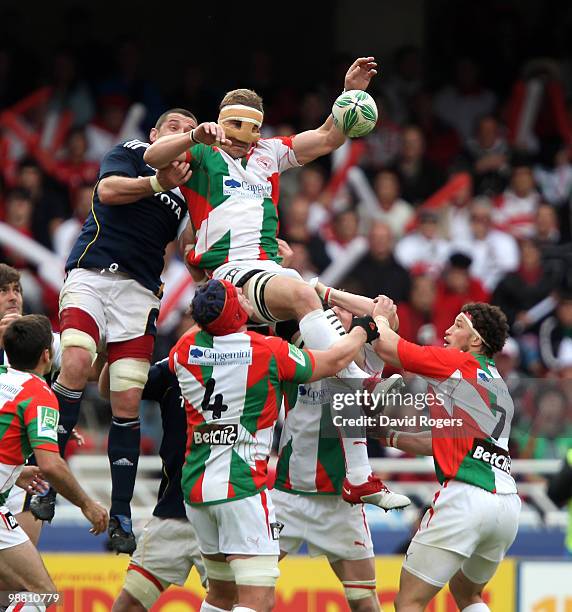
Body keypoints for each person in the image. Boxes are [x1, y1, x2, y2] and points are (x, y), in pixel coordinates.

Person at [143, 57, 405, 508]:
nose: (246, 139)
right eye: (237, 127)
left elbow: (327, 137)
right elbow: (152, 156)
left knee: (332, 349)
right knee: (308, 298)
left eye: (252, 129)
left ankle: (360, 475)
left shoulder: (269, 153)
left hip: (269, 270)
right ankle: (362, 381)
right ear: (225, 124)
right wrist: (193, 134)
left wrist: (348, 94)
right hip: (231, 274)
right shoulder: (204, 153)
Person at [32, 107, 209, 554]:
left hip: (140, 292)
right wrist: (156, 183)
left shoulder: (189, 191)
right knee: (74, 358)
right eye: (175, 128)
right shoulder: (132, 153)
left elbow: (191, 249)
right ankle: (45, 481)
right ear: (154, 134)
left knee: (127, 396)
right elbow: (108, 191)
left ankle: (122, 515)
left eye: (191, 132)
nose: (184, 136)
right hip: (93, 272)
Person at [170, 278, 377, 612]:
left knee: (221, 595)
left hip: (196, 487)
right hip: (241, 489)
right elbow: (337, 361)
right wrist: (363, 330)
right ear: (235, 312)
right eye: (237, 294)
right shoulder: (265, 350)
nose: (244, 292)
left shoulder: (183, 350)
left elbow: (202, 327)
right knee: (258, 599)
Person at [369, 298, 520, 612]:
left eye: (459, 325)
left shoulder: (461, 364)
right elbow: (440, 442)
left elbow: (388, 347)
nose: (448, 331)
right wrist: (391, 435)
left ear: (476, 341)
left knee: (409, 600)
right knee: (467, 592)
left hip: (465, 498)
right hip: (506, 505)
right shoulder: (498, 385)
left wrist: (380, 318)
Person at [273, 296, 408, 612]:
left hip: (340, 501)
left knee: (365, 603)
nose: (345, 314)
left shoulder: (366, 360)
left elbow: (386, 315)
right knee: (250, 593)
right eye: (334, 313)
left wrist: (328, 291)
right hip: (290, 494)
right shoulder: (296, 355)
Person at [0, 315, 108, 611]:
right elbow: (50, 465)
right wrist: (87, 503)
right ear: (47, 355)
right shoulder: (38, 394)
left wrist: (16, 471)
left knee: (8, 591)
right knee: (42, 593)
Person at [98, 358, 207, 612]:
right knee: (128, 605)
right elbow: (110, 390)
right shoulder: (175, 363)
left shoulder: (251, 358)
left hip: (223, 513)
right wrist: (117, 350)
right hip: (172, 512)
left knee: (237, 602)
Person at [0, 264, 64, 547]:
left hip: (22, 474)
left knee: (20, 581)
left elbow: (87, 370)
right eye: (3, 291)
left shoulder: (38, 337)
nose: (13, 297)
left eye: (17, 290)